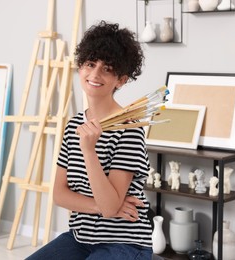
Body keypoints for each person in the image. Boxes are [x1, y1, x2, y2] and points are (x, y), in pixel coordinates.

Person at [26, 20, 153, 260]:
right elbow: (60, 195)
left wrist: (89, 150)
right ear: (81, 66)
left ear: (121, 80)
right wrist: (103, 207)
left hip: (125, 243)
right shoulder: (74, 125)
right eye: (90, 64)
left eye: (107, 68)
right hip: (81, 238)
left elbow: (109, 206)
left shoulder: (130, 130)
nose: (95, 74)